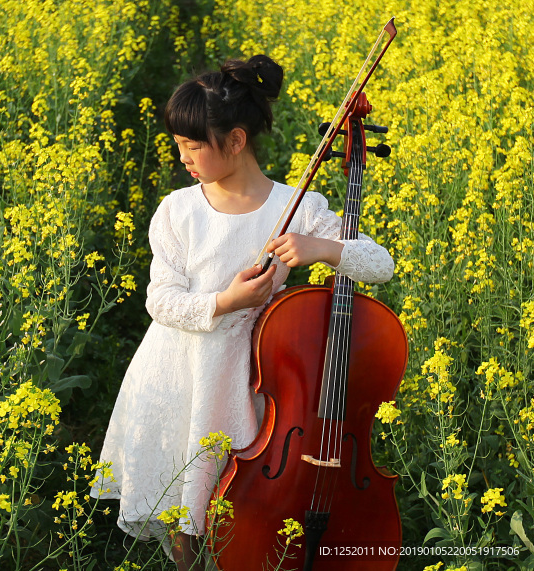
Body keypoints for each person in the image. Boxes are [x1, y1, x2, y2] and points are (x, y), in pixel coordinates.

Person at [89, 54, 395, 570]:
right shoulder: (178, 210)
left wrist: (322, 248)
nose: (182, 157)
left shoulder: (295, 206)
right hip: (178, 371)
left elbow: (379, 264)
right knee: (182, 510)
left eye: (192, 146)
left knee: (236, 506)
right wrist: (225, 302)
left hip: (247, 381)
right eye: (179, 145)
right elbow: (160, 301)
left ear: (235, 140)